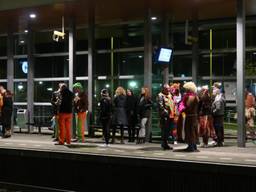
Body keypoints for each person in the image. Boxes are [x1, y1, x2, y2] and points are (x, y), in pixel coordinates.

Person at [179, 82, 199, 152]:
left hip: (190, 116)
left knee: (189, 131)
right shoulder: (196, 96)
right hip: (195, 116)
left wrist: (181, 108)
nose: (185, 90)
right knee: (194, 131)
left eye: (186, 89)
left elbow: (188, 107)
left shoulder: (189, 97)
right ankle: (194, 146)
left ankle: (191, 147)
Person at [157, 84, 176, 150]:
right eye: (167, 89)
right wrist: (167, 113)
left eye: (169, 88)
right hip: (165, 116)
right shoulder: (160, 95)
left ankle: (166, 143)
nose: (168, 90)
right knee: (164, 130)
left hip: (171, 116)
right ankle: (164, 144)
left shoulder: (170, 95)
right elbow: (161, 106)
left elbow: (173, 103)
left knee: (168, 130)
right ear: (163, 89)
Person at [212, 82, 225, 147]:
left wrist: (213, 112)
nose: (213, 90)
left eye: (214, 88)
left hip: (218, 116)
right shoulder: (221, 96)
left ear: (218, 89)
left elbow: (218, 108)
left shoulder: (218, 98)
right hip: (220, 115)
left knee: (218, 129)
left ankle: (219, 142)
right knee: (220, 128)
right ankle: (221, 141)